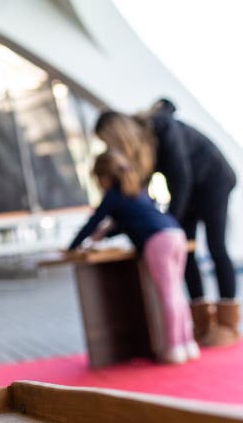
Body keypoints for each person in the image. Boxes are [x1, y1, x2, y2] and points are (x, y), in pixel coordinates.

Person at [95, 101, 239, 347]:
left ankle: (227, 325)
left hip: (213, 181)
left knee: (216, 246)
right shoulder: (141, 151)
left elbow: (181, 177)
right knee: (186, 251)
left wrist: (168, 223)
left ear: (118, 133)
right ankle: (202, 323)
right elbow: (140, 196)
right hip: (189, 192)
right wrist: (117, 227)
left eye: (109, 141)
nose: (111, 148)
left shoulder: (161, 130)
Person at [68, 150, 199, 364]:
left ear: (105, 177)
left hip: (157, 242)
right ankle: (187, 343)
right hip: (175, 233)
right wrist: (106, 233)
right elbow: (129, 221)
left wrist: (72, 247)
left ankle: (174, 347)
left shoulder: (113, 195)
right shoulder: (136, 191)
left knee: (167, 294)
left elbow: (94, 222)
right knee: (176, 292)